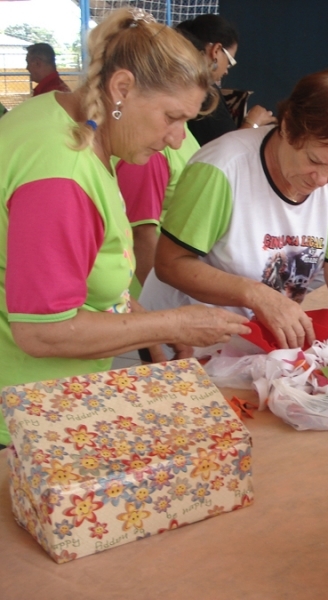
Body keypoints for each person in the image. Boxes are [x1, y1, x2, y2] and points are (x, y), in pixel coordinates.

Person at [0, 8, 251, 448]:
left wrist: (153, 326)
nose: (176, 140)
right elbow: (41, 330)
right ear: (121, 89)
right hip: (24, 416)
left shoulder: (61, 119)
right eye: (171, 117)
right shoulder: (62, 176)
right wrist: (172, 323)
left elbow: (86, 280)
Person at [139, 69, 328, 354]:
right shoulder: (223, 168)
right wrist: (257, 295)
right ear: (288, 127)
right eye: (314, 160)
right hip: (183, 343)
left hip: (255, 345)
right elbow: (171, 263)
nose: (321, 179)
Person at [115, 125, 201, 297]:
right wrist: (162, 302)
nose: (177, 139)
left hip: (179, 274)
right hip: (143, 291)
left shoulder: (181, 131)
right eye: (172, 116)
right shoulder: (151, 151)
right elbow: (140, 235)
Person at [175, 14, 275, 145]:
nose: (227, 70)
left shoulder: (173, 76)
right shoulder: (204, 91)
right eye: (229, 61)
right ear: (216, 50)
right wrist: (253, 123)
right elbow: (224, 147)